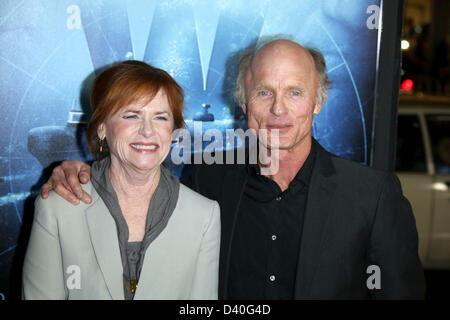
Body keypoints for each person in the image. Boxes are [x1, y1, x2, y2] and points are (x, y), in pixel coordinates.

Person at [41, 39, 425, 299]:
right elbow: (135, 181)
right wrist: (82, 171)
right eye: (264, 92)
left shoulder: (371, 196)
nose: (278, 109)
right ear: (243, 103)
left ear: (317, 101)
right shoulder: (209, 181)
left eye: (295, 92)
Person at [24, 60, 221, 300]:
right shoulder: (58, 208)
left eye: (160, 118)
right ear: (102, 128)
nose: (147, 131)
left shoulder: (204, 215)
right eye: (131, 115)